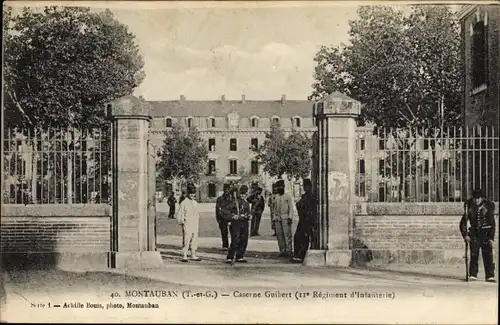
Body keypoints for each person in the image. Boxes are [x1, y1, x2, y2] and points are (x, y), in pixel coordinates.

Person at [460, 188, 496, 282]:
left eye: (478, 198)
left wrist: (491, 237)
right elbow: (463, 223)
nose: (476, 200)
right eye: (475, 198)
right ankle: (473, 274)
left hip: (486, 233)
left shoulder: (488, 206)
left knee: (488, 255)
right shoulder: (469, 207)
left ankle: (490, 275)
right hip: (474, 234)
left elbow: (492, 223)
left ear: (482, 198)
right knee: (474, 254)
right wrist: (465, 235)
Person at [292, 179, 317, 263]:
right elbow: (299, 204)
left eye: (306, 186)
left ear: (310, 186)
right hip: (302, 219)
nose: (305, 188)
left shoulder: (311, 196)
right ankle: (298, 254)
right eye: (304, 186)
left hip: (308, 220)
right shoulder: (305, 196)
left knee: (304, 238)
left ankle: (301, 255)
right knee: (297, 237)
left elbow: (310, 208)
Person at [176, 183, 201, 262]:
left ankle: (193, 254)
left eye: (193, 194)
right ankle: (185, 254)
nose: (192, 196)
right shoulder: (184, 203)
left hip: (195, 223)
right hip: (187, 223)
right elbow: (180, 213)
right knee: (187, 238)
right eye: (190, 194)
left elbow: (197, 213)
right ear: (188, 194)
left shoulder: (195, 203)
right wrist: (181, 221)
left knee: (194, 238)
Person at [226, 185, 252, 263]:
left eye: (244, 194)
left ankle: (239, 256)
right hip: (236, 223)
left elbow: (248, 212)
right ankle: (230, 257)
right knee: (235, 239)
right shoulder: (235, 202)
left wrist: (250, 215)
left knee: (244, 239)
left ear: (246, 194)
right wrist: (233, 216)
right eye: (241, 194)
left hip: (244, 222)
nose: (242, 195)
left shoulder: (246, 203)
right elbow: (227, 211)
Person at [273, 180, 295, 258]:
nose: (280, 188)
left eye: (281, 186)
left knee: (287, 234)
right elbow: (274, 208)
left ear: (284, 187)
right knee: (279, 235)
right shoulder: (276, 197)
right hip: (277, 218)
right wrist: (274, 219)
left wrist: (290, 217)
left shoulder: (287, 196)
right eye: (278, 187)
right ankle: (282, 251)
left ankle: (289, 251)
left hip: (286, 218)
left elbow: (291, 208)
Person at [215, 183, 233, 251]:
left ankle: (233, 245)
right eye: (226, 189)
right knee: (224, 232)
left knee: (233, 232)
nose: (227, 191)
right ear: (223, 190)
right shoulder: (219, 199)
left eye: (228, 189)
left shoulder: (232, 199)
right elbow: (217, 210)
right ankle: (225, 245)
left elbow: (234, 209)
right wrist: (218, 219)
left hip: (231, 218)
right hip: (222, 219)